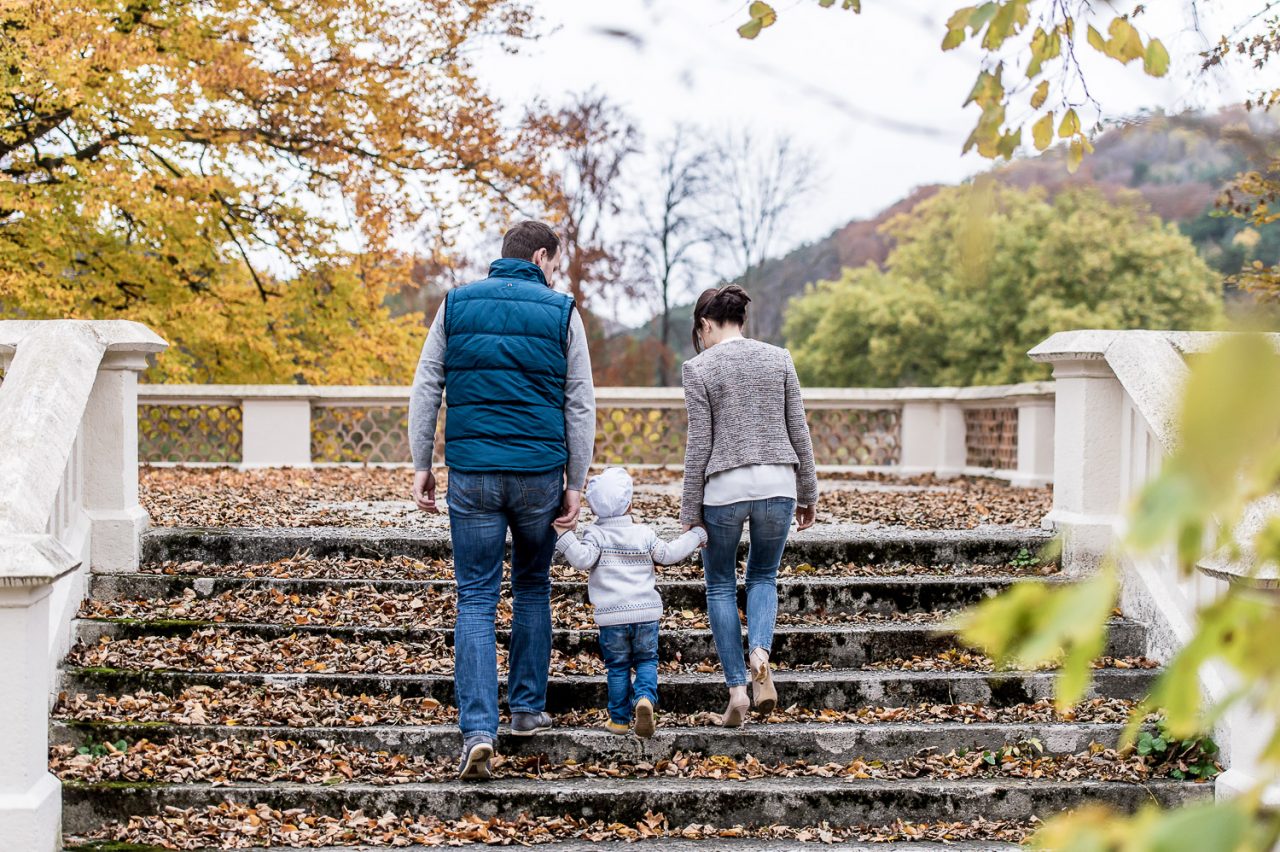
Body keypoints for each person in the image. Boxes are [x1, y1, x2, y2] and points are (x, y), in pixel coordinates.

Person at [409, 221, 595, 780]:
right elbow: (579, 402)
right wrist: (576, 481)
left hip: (474, 474)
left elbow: (427, 385)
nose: (554, 273)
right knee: (533, 585)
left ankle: (478, 730)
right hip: (539, 473)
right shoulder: (562, 311)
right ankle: (528, 710)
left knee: (475, 597)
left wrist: (422, 463)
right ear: (540, 256)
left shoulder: (456, 305)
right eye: (553, 262)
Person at [679, 285, 818, 728]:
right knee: (763, 575)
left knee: (720, 585)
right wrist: (808, 491)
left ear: (705, 324)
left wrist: (689, 511)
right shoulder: (779, 358)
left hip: (724, 489)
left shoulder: (698, 368)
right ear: (741, 320)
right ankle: (760, 653)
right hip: (779, 484)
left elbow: (698, 445)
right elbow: (799, 429)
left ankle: (737, 691)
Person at [553, 467, 707, 738]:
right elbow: (669, 554)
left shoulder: (596, 535)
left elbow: (581, 560)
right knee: (647, 660)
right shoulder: (643, 533)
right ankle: (645, 698)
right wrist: (695, 535)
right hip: (646, 613)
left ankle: (620, 720)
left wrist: (563, 535)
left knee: (618, 667)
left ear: (595, 508)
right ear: (630, 504)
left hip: (612, 618)